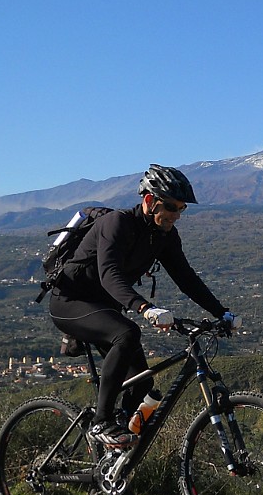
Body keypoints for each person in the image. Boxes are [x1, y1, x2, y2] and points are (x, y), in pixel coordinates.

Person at [48, 164, 236, 448]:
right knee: (127, 333)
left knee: (143, 385)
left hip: (106, 309)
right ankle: (101, 422)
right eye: (171, 207)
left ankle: (117, 461)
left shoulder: (164, 236)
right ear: (149, 200)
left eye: (181, 209)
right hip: (70, 302)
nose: (176, 215)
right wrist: (145, 308)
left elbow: (186, 278)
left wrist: (221, 312)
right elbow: (109, 274)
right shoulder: (116, 224)